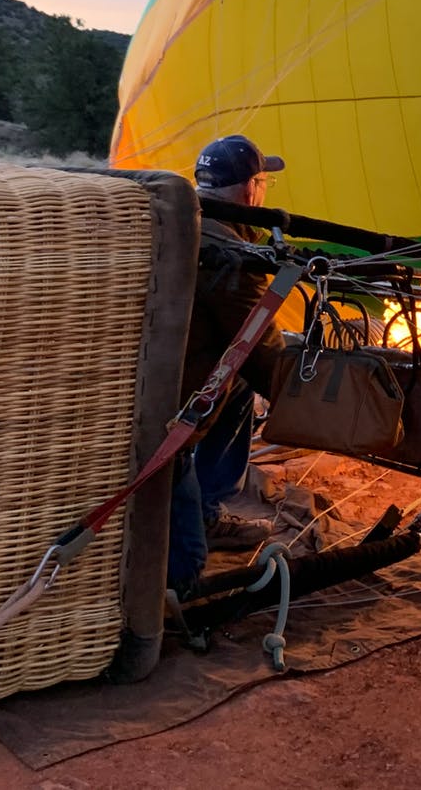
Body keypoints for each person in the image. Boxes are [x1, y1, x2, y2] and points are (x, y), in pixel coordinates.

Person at [168, 134, 289, 595]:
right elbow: (260, 353)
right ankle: (187, 520)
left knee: (234, 387)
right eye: (262, 181)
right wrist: (315, 397)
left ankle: (206, 509)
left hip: (154, 376)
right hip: (168, 417)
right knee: (184, 572)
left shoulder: (180, 223)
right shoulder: (231, 255)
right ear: (248, 191)